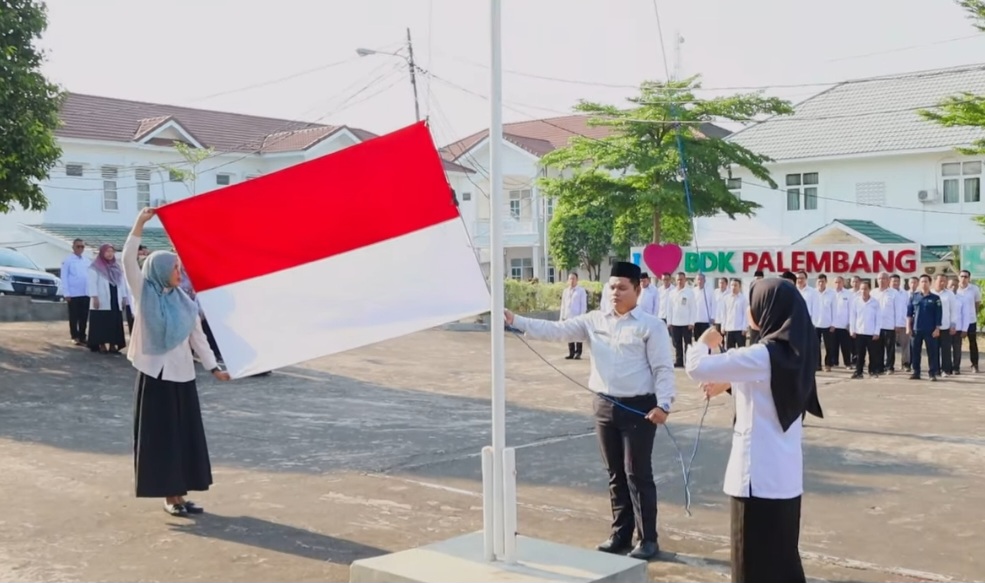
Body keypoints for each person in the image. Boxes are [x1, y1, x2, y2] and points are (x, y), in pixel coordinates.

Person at [504, 261, 675, 560]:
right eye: (611, 287)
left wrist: (664, 404)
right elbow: (556, 330)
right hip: (604, 406)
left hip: (639, 409)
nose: (615, 292)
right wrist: (515, 319)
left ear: (637, 289)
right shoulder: (594, 320)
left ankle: (648, 539)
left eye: (622, 287)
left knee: (637, 473)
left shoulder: (651, 326)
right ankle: (620, 535)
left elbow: (663, 368)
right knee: (615, 474)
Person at [685, 278, 822, 583]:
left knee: (749, 564)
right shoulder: (796, 351)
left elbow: (695, 367)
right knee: (783, 560)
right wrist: (732, 384)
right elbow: (772, 392)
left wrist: (703, 342)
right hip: (784, 477)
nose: (749, 309)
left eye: (753, 303)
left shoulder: (763, 354)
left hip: (754, 478)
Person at [124, 208, 231, 517]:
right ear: (160, 270)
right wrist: (139, 224)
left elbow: (199, 339)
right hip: (155, 379)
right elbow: (127, 261)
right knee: (162, 440)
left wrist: (214, 368)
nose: (179, 273)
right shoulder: (144, 293)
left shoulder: (184, 302)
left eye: (180, 268)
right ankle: (169, 497)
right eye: (174, 268)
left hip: (182, 378)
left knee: (183, 439)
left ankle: (181, 495)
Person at [86, 243, 129, 354]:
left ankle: (113, 344)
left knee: (114, 321)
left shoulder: (116, 266)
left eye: (111, 251)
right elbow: (92, 283)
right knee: (101, 321)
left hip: (115, 298)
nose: (110, 254)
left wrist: (124, 297)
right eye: (107, 251)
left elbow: (122, 283)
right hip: (102, 298)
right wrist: (94, 297)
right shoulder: (95, 267)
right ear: (102, 253)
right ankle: (101, 344)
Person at [907, 274, 942, 382]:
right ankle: (916, 372)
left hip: (930, 330)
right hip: (916, 329)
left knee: (932, 352)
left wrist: (937, 328)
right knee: (915, 351)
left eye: (926, 281)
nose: (924, 283)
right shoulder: (914, 296)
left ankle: (932, 373)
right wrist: (908, 327)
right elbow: (909, 314)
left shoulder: (935, 298)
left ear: (930, 283)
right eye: (922, 281)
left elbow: (939, 314)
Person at [60, 238, 91, 345]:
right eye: (78, 246)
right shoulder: (68, 260)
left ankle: (83, 336)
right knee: (74, 316)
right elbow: (64, 277)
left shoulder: (87, 260)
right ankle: (75, 336)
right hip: (73, 293)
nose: (80, 249)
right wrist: (66, 293)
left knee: (84, 316)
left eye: (82, 246)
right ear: (73, 247)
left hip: (85, 292)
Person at [560, 272, 588, 359]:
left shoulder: (581, 291)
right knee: (569, 335)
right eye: (570, 279)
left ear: (577, 280)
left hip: (577, 317)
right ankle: (571, 352)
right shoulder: (565, 291)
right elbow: (563, 305)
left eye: (573, 278)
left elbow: (583, 305)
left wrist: (582, 317)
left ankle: (578, 352)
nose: (572, 280)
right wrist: (562, 317)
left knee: (578, 335)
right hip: (568, 316)